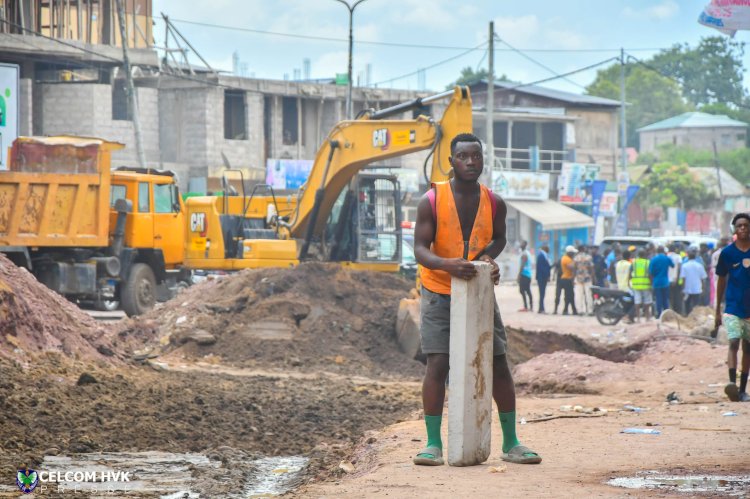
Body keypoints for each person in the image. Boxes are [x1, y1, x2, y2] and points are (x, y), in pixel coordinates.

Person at [412, 133, 541, 466]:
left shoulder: (494, 201)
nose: (471, 162)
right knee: (438, 363)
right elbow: (420, 249)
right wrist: (447, 264)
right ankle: (432, 443)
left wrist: (486, 260)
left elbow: (499, 238)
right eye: (463, 156)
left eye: (476, 156)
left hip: (478, 291)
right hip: (439, 289)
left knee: (497, 362)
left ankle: (511, 442)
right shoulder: (431, 200)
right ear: (451, 161)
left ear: (483, 160)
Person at [714, 213, 750, 402]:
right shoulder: (727, 253)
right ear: (734, 229)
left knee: (748, 347)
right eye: (739, 226)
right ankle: (732, 385)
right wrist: (717, 310)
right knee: (734, 341)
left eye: (745, 225)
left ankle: (743, 390)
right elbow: (721, 281)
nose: (742, 229)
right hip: (733, 306)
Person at [649, 246, 674, 318]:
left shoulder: (653, 259)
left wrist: (651, 283)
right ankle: (666, 315)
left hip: (656, 282)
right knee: (665, 299)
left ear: (657, 251)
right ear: (663, 251)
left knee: (658, 299)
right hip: (665, 282)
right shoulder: (666, 258)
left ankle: (659, 314)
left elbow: (650, 272)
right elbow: (673, 265)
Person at [681, 248, 707, 316]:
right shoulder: (699, 266)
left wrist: (683, 288)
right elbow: (703, 278)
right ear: (695, 257)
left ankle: (688, 316)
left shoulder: (684, 266)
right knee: (696, 305)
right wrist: (703, 288)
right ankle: (696, 317)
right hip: (697, 288)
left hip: (687, 289)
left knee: (687, 304)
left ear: (688, 257)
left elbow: (683, 278)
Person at [554, 245, 578, 315]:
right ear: (569, 252)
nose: (574, 254)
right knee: (569, 295)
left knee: (570, 295)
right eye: (573, 253)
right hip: (566, 279)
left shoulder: (565, 258)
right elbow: (572, 267)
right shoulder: (567, 259)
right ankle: (567, 310)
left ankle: (570, 310)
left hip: (565, 278)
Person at [630, 249, 652, 322]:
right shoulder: (647, 262)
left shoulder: (634, 262)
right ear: (645, 255)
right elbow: (650, 274)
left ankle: (638, 318)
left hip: (636, 284)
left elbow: (630, 272)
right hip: (646, 284)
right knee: (647, 302)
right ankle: (647, 317)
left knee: (637, 302)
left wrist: (628, 281)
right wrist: (651, 283)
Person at [574, 245, 594, 315]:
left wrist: (573, 277)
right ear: (584, 249)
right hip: (587, 278)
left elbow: (574, 268)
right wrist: (593, 277)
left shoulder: (576, 258)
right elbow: (591, 268)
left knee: (579, 295)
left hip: (579, 278)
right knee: (588, 295)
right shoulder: (588, 257)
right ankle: (590, 310)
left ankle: (580, 310)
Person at [710, 237, 730, 308]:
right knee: (721, 287)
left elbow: (712, 264)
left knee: (718, 287)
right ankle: (719, 304)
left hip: (719, 272)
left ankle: (718, 304)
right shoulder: (725, 252)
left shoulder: (716, 253)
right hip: (722, 272)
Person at [667, 244, 683, 314]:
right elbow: (679, 268)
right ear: (675, 249)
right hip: (676, 280)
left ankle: (670, 311)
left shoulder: (666, 257)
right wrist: (677, 278)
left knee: (669, 297)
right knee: (677, 296)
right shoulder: (678, 257)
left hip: (667, 280)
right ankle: (677, 312)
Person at [517, 241, 533, 312]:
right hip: (528, 274)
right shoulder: (527, 253)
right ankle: (530, 306)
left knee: (522, 290)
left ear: (525, 245)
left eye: (522, 243)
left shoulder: (524, 254)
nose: (520, 244)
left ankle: (526, 306)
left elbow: (522, 265)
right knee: (527, 290)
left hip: (524, 275)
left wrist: (519, 275)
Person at [535, 244, 551, 314]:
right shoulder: (541, 255)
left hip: (542, 277)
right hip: (541, 277)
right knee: (542, 293)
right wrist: (547, 275)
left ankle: (541, 308)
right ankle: (541, 309)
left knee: (542, 293)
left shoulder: (544, 255)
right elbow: (541, 268)